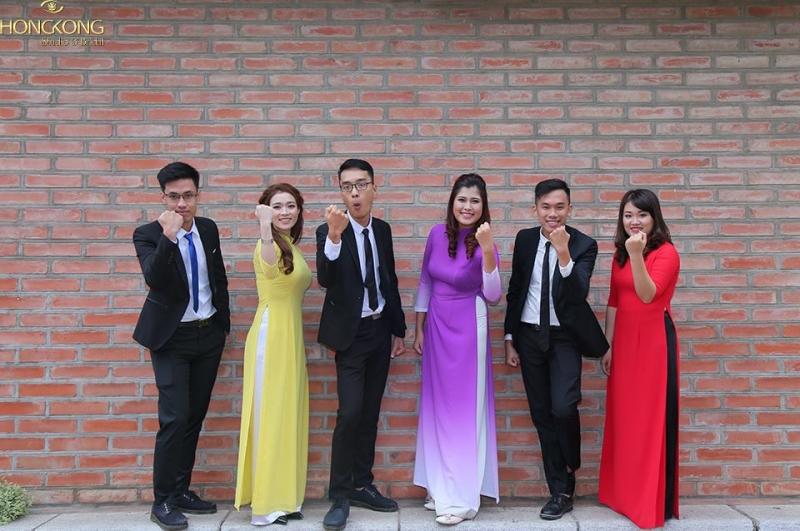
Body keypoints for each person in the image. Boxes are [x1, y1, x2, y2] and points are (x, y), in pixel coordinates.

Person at [133, 162, 230, 531]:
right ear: (163, 198)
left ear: (198, 195)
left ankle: (181, 490)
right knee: (174, 418)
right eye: (173, 197)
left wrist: (223, 324)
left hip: (207, 335)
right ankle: (162, 501)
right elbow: (154, 278)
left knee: (194, 417)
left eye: (188, 195)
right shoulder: (147, 234)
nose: (181, 204)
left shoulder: (208, 228)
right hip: (171, 339)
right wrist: (169, 237)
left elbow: (217, 277)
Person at [503, 179, 608, 520]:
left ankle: (570, 464)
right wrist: (509, 337)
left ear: (569, 209)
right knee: (541, 414)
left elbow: (577, 293)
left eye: (559, 207)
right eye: (546, 207)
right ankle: (560, 490)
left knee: (563, 407)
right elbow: (516, 289)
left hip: (564, 337)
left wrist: (564, 252)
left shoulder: (584, 244)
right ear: (535, 209)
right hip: (529, 335)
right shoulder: (525, 240)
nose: (553, 214)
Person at [316, 159, 407, 531]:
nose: (354, 193)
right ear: (341, 192)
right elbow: (325, 278)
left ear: (374, 189)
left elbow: (389, 279)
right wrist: (335, 238)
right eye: (347, 186)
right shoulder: (329, 230)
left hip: (379, 331)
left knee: (369, 413)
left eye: (361, 185)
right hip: (350, 338)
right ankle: (339, 495)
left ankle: (362, 484)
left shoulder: (382, 230)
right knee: (350, 413)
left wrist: (398, 329)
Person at [412, 173, 501, 526]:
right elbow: (425, 281)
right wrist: (418, 328)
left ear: (484, 206)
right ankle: (439, 487)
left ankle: (462, 497)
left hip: (469, 326)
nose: (467, 206)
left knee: (466, 409)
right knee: (439, 407)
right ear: (452, 202)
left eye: (475, 201)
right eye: (462, 199)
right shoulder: (436, 234)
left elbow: (493, 294)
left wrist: (489, 250)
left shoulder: (486, 240)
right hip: (436, 325)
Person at [598, 189, 681, 529]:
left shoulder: (666, 253)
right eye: (628, 215)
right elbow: (614, 301)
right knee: (625, 420)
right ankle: (623, 496)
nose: (634, 221)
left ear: (654, 217)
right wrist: (608, 345)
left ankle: (649, 502)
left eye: (642, 215)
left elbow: (648, 294)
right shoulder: (620, 254)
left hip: (654, 344)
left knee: (649, 421)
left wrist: (635, 255)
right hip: (625, 343)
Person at [234, 184, 311, 526]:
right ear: (266, 210)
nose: (285, 212)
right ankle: (265, 506)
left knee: (286, 416)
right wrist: (264, 227)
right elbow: (268, 268)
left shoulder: (291, 244)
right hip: (271, 336)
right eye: (277, 206)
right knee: (269, 417)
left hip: (290, 337)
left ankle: (284, 498)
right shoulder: (267, 243)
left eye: (290, 205)